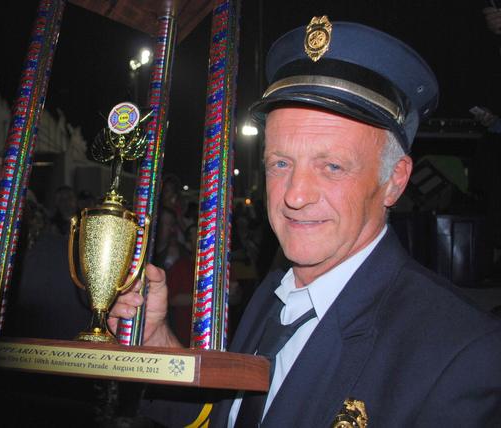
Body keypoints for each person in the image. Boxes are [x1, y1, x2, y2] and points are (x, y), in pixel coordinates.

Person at [109, 17, 501, 426]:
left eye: (331, 166)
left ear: (394, 181)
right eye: (281, 163)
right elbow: (222, 415)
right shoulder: (275, 294)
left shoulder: (462, 354)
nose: (294, 195)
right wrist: (158, 346)